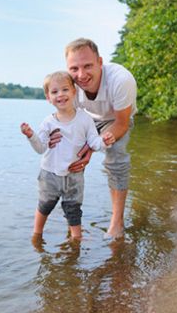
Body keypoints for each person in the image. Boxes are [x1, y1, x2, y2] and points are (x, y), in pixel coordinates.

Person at [55, 38, 137, 239]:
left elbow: (121, 124)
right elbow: (68, 120)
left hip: (116, 119)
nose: (81, 75)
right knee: (69, 158)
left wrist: (92, 148)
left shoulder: (121, 80)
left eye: (88, 66)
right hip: (87, 120)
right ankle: (72, 220)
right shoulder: (68, 85)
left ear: (100, 62)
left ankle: (116, 222)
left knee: (116, 158)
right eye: (74, 68)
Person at [21, 71, 115, 241]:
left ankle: (76, 239)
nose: (60, 95)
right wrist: (31, 136)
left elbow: (94, 142)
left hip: (74, 174)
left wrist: (105, 141)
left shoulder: (85, 119)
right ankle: (36, 235)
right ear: (48, 98)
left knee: (73, 208)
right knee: (45, 205)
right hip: (49, 173)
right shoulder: (48, 122)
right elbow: (41, 148)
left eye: (65, 89)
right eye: (55, 92)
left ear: (74, 92)